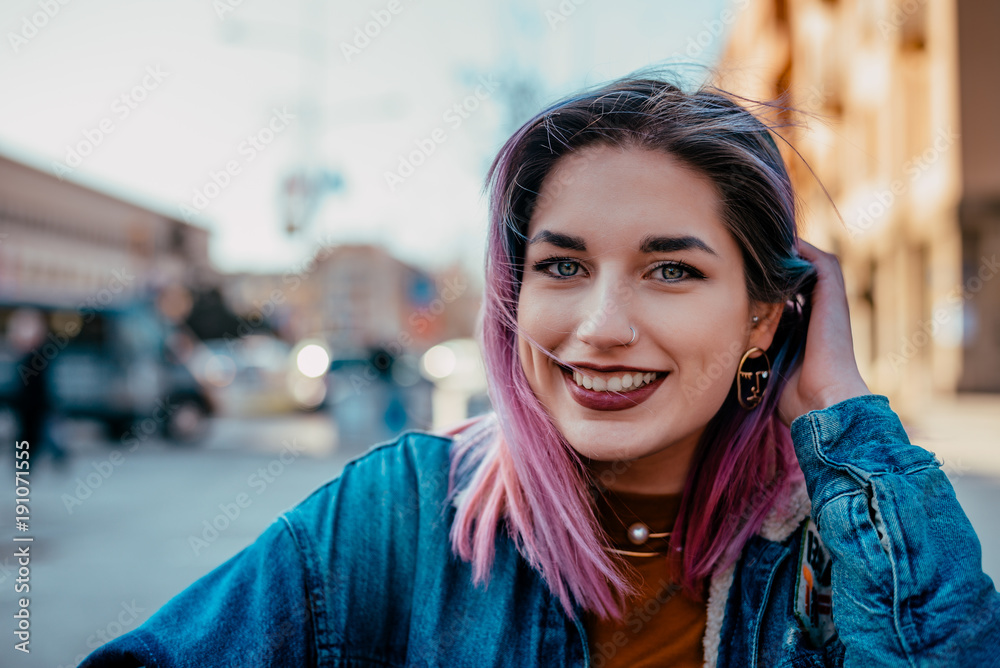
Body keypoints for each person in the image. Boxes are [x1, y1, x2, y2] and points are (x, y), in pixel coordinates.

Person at [81, 76, 1000, 667]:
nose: (600, 329)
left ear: (767, 314)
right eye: (562, 266)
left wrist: (845, 415)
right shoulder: (397, 518)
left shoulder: (840, 548)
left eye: (672, 269)